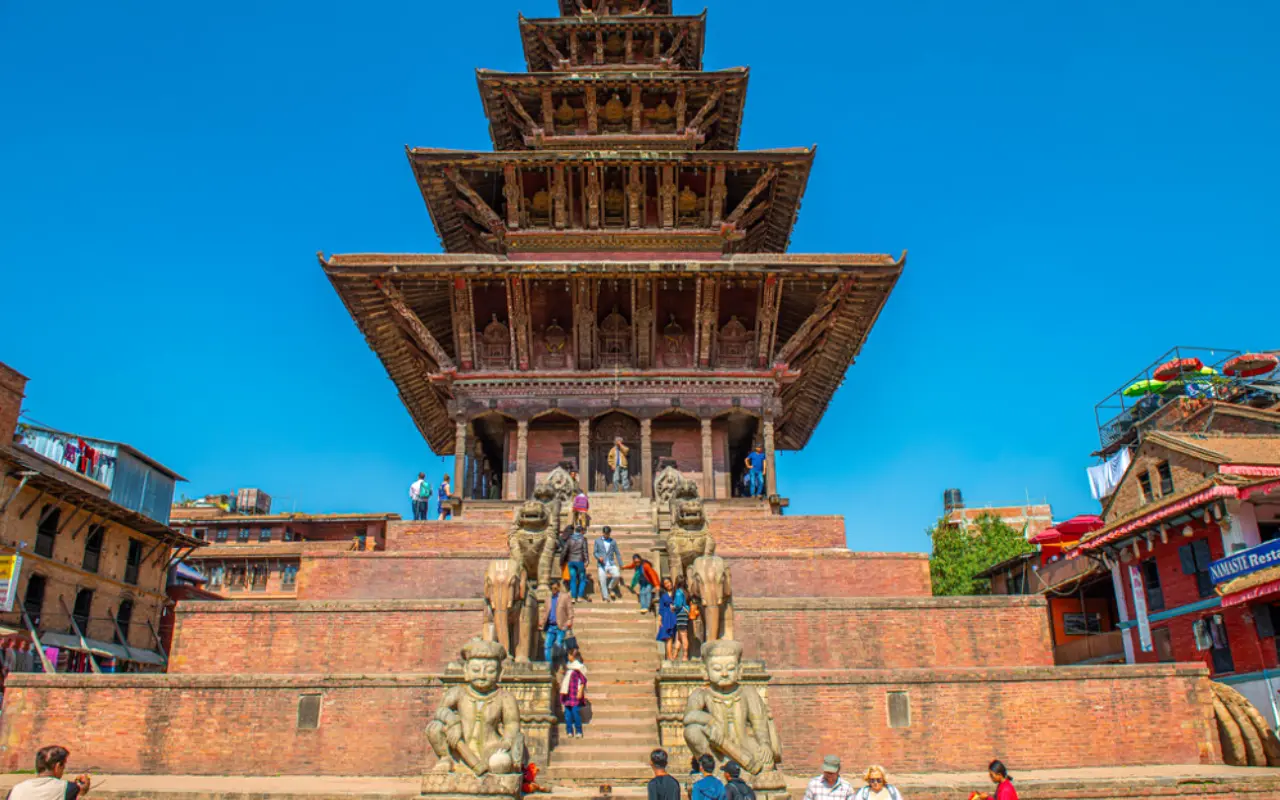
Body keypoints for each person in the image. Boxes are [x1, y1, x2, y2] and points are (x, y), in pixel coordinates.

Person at [7, 745, 91, 800]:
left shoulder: (16, 789)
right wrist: (81, 788)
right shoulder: (67, 788)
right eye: (63, 766)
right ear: (57, 766)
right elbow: (74, 792)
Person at [559, 647, 588, 739]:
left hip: (575, 694)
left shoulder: (579, 667)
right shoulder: (569, 667)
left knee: (575, 713)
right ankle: (569, 731)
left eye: (569, 655)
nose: (568, 657)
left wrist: (580, 691)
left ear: (572, 656)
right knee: (567, 714)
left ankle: (578, 731)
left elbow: (583, 681)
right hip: (568, 694)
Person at [542, 580, 573, 663]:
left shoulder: (565, 597)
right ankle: (549, 666)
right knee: (547, 646)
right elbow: (545, 611)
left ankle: (565, 663)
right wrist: (542, 621)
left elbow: (570, 610)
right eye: (552, 588)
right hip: (550, 626)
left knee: (559, 645)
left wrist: (570, 620)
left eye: (555, 588)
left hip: (561, 626)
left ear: (559, 587)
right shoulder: (548, 599)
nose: (554, 590)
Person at [594, 526, 622, 602]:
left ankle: (610, 587)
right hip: (601, 564)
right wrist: (598, 557)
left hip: (611, 563)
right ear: (603, 533)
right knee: (602, 579)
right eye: (605, 534)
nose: (607, 535)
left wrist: (620, 563)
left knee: (617, 575)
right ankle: (605, 596)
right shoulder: (597, 541)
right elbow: (595, 552)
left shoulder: (613, 541)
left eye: (608, 534)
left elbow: (617, 553)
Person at [566, 525, 590, 601]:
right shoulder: (583, 539)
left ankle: (573, 597)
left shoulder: (569, 538)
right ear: (581, 531)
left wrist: (563, 560)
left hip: (571, 561)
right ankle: (579, 596)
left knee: (573, 579)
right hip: (579, 561)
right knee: (582, 579)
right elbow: (585, 551)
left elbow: (565, 550)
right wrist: (587, 560)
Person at [657, 578, 678, 660]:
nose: (668, 584)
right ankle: (670, 656)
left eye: (668, 582)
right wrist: (659, 620)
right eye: (665, 583)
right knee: (668, 637)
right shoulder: (663, 596)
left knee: (676, 637)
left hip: (675, 616)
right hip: (666, 617)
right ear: (664, 586)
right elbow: (661, 609)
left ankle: (674, 655)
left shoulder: (676, 593)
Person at [673, 576, 691, 661]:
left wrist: (673, 607)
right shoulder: (685, 592)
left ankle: (685, 656)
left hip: (680, 614)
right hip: (684, 614)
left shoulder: (678, 592)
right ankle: (675, 655)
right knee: (678, 636)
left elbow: (678, 604)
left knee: (683, 635)